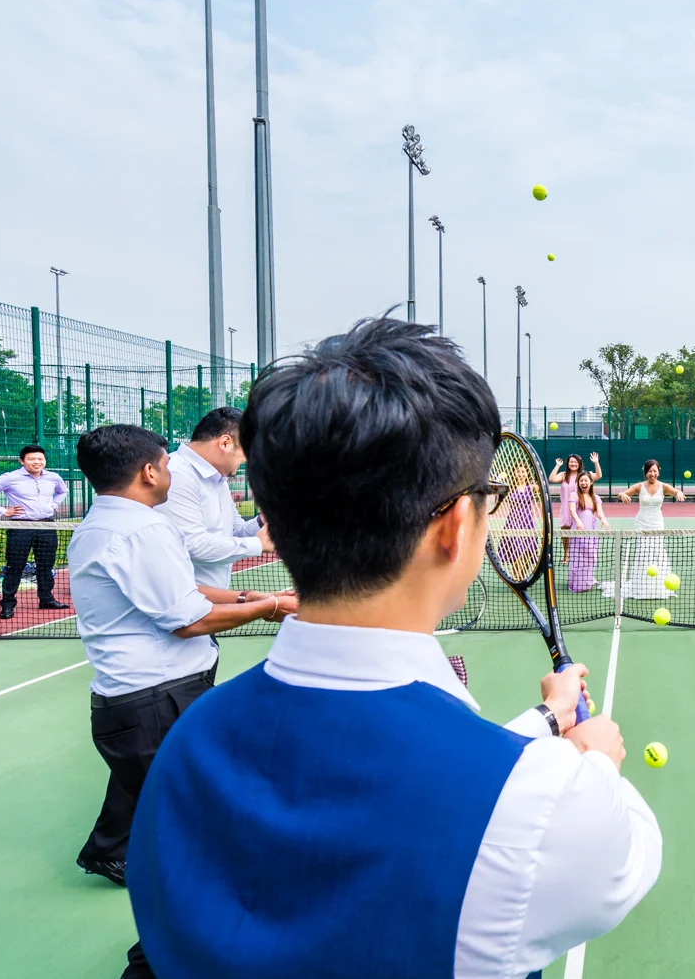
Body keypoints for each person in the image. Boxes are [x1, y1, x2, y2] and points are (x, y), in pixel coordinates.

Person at [127, 318, 661, 979]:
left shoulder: (185, 744)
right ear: (456, 525)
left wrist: (548, 723)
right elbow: (618, 850)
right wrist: (595, 759)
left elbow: (406, 781)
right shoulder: (541, 806)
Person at [67, 424, 297, 979]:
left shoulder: (103, 524)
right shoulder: (142, 529)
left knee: (184, 828)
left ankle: (136, 895)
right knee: (198, 839)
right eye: (165, 464)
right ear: (149, 472)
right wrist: (271, 608)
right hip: (155, 702)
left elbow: (183, 591)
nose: (170, 471)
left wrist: (252, 595)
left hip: (145, 701)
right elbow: (188, 619)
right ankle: (157, 961)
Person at [154, 407, 274, 589]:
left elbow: (235, 531)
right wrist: (257, 544)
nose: (249, 459)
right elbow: (193, 545)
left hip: (207, 597)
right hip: (180, 598)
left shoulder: (218, 478)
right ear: (225, 443)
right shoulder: (176, 474)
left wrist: (262, 520)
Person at [0, 444, 70, 619]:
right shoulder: (10, 478)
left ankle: (46, 599)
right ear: (22, 461)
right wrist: (2, 511)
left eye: (40, 459)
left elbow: (63, 491)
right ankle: (7, 605)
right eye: (31, 459)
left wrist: (54, 505)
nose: (37, 462)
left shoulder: (53, 477)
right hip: (20, 528)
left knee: (46, 566)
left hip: (47, 526)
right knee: (15, 566)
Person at [604, 459, 684, 600]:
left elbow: (677, 491)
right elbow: (621, 494)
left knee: (657, 552)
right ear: (645, 472)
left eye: (654, 471)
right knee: (643, 552)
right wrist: (623, 495)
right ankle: (641, 585)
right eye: (649, 471)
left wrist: (679, 493)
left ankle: (657, 585)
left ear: (658, 471)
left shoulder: (664, 487)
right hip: (642, 523)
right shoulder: (639, 486)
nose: (652, 474)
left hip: (657, 524)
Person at [548, 452, 601, 564]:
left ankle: (581, 554)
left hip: (580, 508)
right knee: (565, 531)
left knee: (580, 531)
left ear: (579, 463)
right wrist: (557, 465)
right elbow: (551, 478)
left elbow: (598, 476)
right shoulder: (563, 475)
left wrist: (596, 463)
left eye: (576, 462)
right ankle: (567, 554)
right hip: (566, 508)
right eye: (571, 462)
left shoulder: (583, 475)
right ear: (568, 463)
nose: (573, 464)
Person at [565, 471, 609, 592]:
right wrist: (578, 521)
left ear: (591, 482)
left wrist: (604, 519)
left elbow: (599, 512)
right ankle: (578, 584)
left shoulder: (596, 497)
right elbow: (572, 511)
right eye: (581, 480)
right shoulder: (573, 496)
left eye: (586, 480)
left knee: (591, 556)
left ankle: (588, 579)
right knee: (579, 556)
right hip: (579, 530)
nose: (583, 483)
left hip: (592, 530)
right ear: (578, 483)